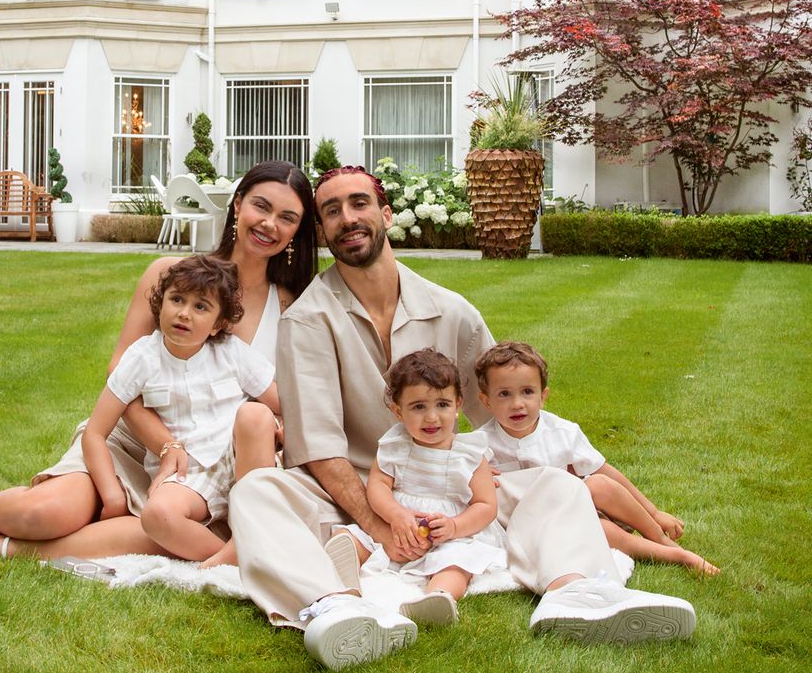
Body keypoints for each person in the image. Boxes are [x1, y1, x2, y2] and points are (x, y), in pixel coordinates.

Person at [228, 165, 696, 670]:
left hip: (449, 491)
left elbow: (508, 412)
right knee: (255, 492)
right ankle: (334, 608)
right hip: (358, 492)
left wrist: (586, 486)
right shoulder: (307, 320)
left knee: (556, 487)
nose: (348, 218)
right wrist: (382, 524)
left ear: (385, 214)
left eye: (359, 203)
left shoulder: (452, 311)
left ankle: (576, 592)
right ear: (322, 230)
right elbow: (319, 449)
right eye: (332, 210)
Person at [0, 161, 317, 561]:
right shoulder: (172, 274)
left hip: (210, 471)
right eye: (261, 206)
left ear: (298, 231)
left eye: (288, 217)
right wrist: (165, 446)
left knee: (161, 535)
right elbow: (120, 371)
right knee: (45, 512)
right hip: (135, 439)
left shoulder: (292, 305)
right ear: (238, 205)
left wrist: (273, 428)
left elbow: (281, 401)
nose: (269, 224)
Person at [474, 340, 719, 575]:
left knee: (598, 483)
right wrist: (478, 477)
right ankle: (674, 556)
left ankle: (660, 538)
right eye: (504, 394)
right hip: (534, 525)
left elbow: (604, 471)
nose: (518, 404)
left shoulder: (562, 432)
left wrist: (654, 513)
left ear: (543, 396)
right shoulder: (479, 445)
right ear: (486, 401)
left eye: (527, 392)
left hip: (572, 506)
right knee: (598, 530)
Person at [326, 348, 506, 627]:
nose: (432, 418)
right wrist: (396, 514)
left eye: (442, 405)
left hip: (450, 532)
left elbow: (486, 505)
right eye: (419, 407)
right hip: (398, 524)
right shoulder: (394, 446)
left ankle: (438, 596)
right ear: (398, 411)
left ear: (458, 405)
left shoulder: (469, 454)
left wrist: (455, 527)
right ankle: (344, 583)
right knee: (352, 537)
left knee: (457, 560)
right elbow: (378, 487)